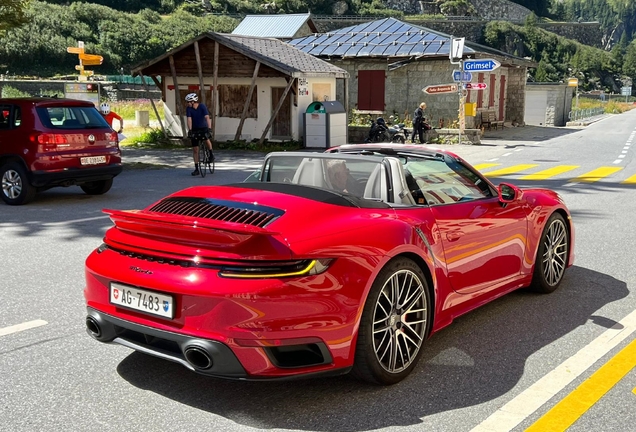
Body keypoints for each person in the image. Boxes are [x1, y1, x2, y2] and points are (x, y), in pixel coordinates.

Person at [185, 92, 213, 176]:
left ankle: (211, 154)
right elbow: (189, 119)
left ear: (193, 101)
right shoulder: (188, 109)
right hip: (195, 129)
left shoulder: (202, 106)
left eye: (188, 102)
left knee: (206, 139)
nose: (187, 103)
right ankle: (196, 168)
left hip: (203, 127)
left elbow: (207, 117)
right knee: (195, 149)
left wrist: (209, 128)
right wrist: (190, 130)